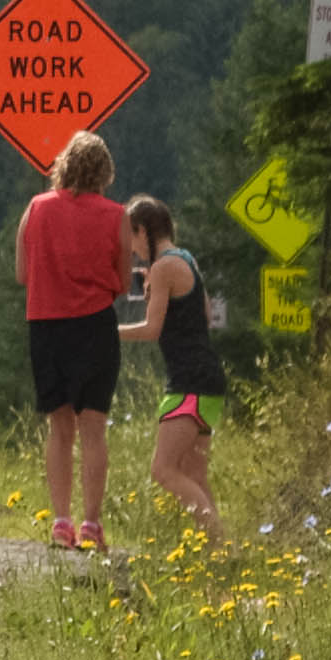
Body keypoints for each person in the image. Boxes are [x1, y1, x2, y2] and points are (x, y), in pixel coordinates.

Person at [17, 130, 130, 551]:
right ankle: (91, 524)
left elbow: (22, 273)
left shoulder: (37, 208)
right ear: (105, 173)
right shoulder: (116, 215)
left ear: (63, 166)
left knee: (59, 427)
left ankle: (61, 521)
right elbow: (122, 281)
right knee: (93, 428)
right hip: (94, 326)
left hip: (46, 325)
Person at [119, 194, 224, 545]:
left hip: (188, 382)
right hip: (208, 378)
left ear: (142, 230)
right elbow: (206, 314)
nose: (132, 249)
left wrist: (107, 332)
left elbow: (152, 329)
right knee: (194, 474)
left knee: (163, 470)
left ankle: (224, 545)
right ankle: (220, 554)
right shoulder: (186, 259)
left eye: (131, 238)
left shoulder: (164, 267)